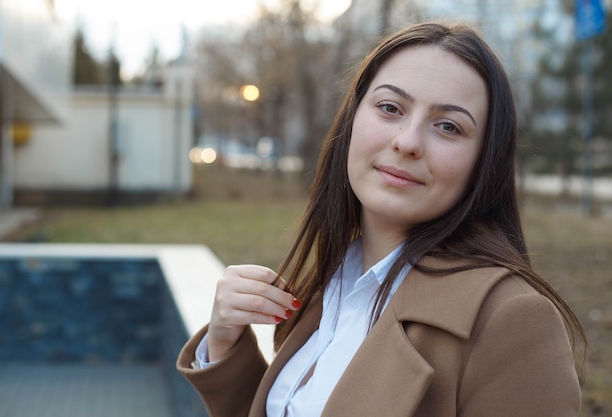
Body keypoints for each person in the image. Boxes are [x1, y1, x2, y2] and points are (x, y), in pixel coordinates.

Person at [177, 21, 585, 417]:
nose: (406, 142)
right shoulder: (333, 282)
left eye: (448, 126)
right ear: (353, 119)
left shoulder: (510, 319)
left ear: (485, 164)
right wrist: (225, 345)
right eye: (390, 108)